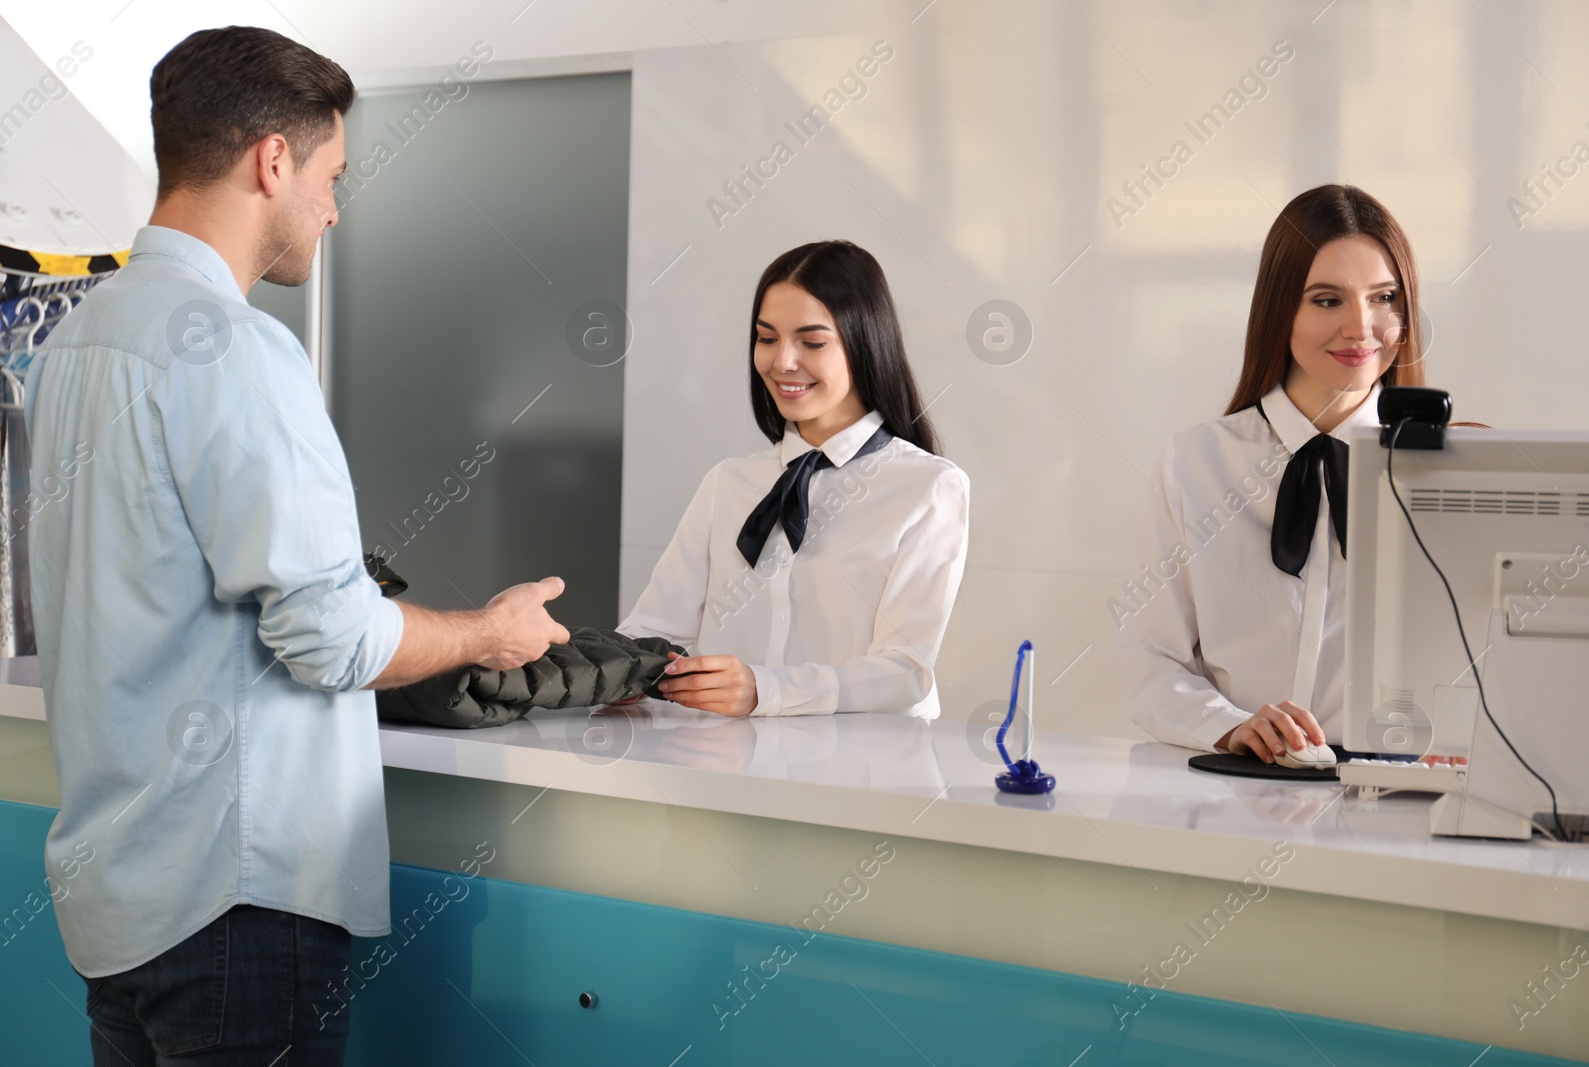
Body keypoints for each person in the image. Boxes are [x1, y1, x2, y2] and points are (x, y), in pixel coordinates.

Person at [25, 27, 567, 1065]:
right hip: (234, 903)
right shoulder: (236, 347)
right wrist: (482, 632)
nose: (332, 206)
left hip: (114, 901)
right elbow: (331, 638)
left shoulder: (73, 345)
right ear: (273, 160)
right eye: (330, 175)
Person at [1115, 184, 1424, 762]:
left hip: (1402, 800)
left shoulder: (1447, 473)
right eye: (1327, 300)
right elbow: (1150, 656)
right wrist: (1229, 727)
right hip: (1234, 790)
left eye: (1383, 297)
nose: (1361, 328)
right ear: (1281, 309)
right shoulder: (1195, 462)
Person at [620, 241, 969, 718]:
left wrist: (767, 690)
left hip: (868, 772)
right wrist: (579, 665)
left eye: (812, 342)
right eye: (767, 338)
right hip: (728, 768)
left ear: (864, 343)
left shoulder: (927, 487)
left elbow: (906, 670)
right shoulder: (729, 483)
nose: (782, 362)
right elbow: (652, 632)